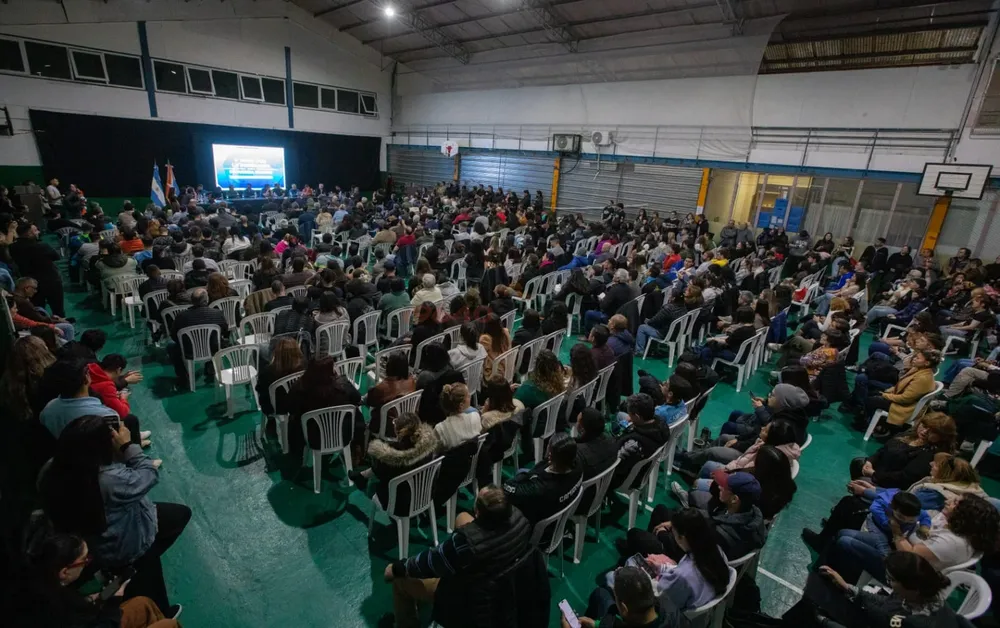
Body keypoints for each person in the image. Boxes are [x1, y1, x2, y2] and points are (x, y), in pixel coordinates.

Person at [38, 416, 190, 616]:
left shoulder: (52, 469)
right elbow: (149, 475)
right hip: (128, 543)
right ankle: (158, 611)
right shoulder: (108, 480)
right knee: (151, 580)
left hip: (98, 536)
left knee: (179, 515)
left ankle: (126, 572)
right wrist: (128, 445)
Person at [381, 486, 538, 628]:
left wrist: (397, 568)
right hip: (506, 580)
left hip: (469, 597)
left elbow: (428, 564)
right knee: (462, 517)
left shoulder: (466, 545)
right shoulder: (520, 520)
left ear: (478, 513)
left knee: (400, 580)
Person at [10, 513, 180, 628]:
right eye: (85, 560)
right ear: (64, 572)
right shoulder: (57, 611)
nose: (87, 563)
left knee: (144, 605)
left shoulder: (33, 584)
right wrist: (113, 601)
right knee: (169, 625)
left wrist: (95, 599)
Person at [620, 470, 767, 561]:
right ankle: (643, 551)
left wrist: (665, 535)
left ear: (735, 499)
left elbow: (690, 552)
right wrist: (675, 523)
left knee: (635, 534)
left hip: (688, 559)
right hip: (698, 542)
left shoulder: (723, 535)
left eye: (726, 487)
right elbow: (711, 517)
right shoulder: (751, 512)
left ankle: (637, 558)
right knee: (660, 510)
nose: (721, 487)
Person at [799, 552, 969, 628]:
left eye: (892, 580)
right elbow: (887, 603)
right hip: (877, 619)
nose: (889, 583)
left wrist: (824, 622)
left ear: (913, 587)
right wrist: (848, 587)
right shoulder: (920, 595)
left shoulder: (913, 622)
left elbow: (884, 619)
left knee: (813, 607)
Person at [502, 432, 582, 523]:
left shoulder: (540, 488)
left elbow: (507, 487)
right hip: (558, 509)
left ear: (550, 455)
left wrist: (527, 476)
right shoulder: (578, 466)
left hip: (537, 521)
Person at [572, 566, 678, 628]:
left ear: (624, 608)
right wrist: (596, 624)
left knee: (600, 593)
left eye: (616, 597)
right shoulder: (670, 608)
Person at [166, 288, 228, 386]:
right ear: (207, 300)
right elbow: (225, 330)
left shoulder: (181, 316)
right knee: (220, 341)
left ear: (192, 301)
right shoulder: (217, 313)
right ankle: (212, 365)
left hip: (190, 351)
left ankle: (183, 376)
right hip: (213, 349)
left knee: (170, 346)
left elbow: (174, 336)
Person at [612, 393, 671, 490]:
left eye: (630, 414)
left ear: (637, 417)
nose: (629, 417)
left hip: (626, 478)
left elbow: (615, 463)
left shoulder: (634, 444)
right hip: (644, 462)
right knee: (621, 416)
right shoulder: (662, 425)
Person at [10, 221, 65, 317]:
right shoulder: (41, 246)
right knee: (58, 309)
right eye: (35, 231)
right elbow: (56, 256)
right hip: (51, 280)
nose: (38, 232)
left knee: (38, 309)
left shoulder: (13, 247)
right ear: (29, 234)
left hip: (30, 282)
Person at [366, 351, 417, 438]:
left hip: (389, 428)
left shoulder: (382, 389)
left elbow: (369, 402)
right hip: (408, 422)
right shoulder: (411, 381)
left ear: (389, 366)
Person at [255, 337, 305, 417]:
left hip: (277, 408)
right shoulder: (304, 369)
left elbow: (259, 389)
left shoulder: (267, 372)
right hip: (298, 404)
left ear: (276, 352)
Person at [434, 382, 482, 451]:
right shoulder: (475, 416)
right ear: (461, 405)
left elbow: (435, 454)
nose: (470, 396)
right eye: (468, 396)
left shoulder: (440, 429)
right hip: (474, 461)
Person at [479, 313, 512, 380]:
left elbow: (480, 355)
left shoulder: (485, 338)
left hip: (494, 371)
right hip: (508, 368)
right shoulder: (505, 332)